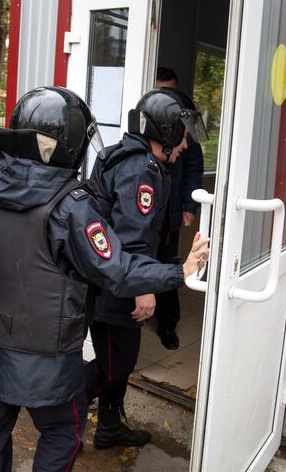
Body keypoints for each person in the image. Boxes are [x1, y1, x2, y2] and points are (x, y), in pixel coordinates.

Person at [0, 86, 209, 471]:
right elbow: (116, 269)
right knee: (62, 432)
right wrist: (181, 270)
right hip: (48, 354)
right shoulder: (71, 206)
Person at [85, 88, 207, 448]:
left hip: (115, 279)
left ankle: (108, 427)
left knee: (119, 361)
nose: (185, 145)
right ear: (167, 133)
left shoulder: (132, 158)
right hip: (117, 286)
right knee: (112, 365)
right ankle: (63, 416)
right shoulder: (140, 169)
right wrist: (144, 287)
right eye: (183, 136)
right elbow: (130, 238)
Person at [153, 67, 205, 350]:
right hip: (144, 214)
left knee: (166, 266)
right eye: (161, 92)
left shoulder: (186, 128)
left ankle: (167, 324)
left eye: (171, 92)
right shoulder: (144, 126)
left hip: (169, 214)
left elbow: (194, 168)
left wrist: (188, 206)